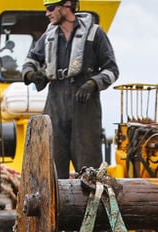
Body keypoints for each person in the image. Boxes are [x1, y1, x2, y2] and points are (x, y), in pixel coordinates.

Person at [21, 0, 119, 179]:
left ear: (66, 5)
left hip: (85, 106)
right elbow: (30, 61)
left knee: (88, 164)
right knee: (52, 163)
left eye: (50, 8)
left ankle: (92, 205)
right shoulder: (48, 36)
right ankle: (56, 206)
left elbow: (111, 70)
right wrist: (31, 75)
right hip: (55, 103)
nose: (47, 13)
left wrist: (93, 84)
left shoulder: (95, 34)